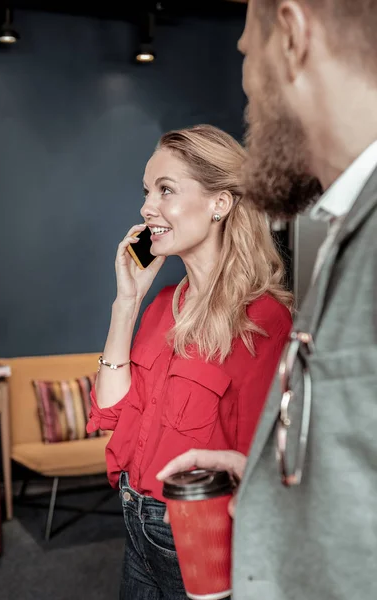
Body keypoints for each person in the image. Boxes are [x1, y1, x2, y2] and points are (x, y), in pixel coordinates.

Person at [157, 1, 377, 599]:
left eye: (248, 56)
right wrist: (260, 479)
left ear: (292, 34)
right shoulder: (345, 229)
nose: (248, 102)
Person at [87, 124, 292, 600]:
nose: (145, 208)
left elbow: (260, 467)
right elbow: (111, 413)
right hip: (134, 523)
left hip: (196, 534)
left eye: (166, 190)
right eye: (146, 191)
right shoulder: (160, 304)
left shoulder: (263, 320)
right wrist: (127, 303)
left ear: (220, 203)